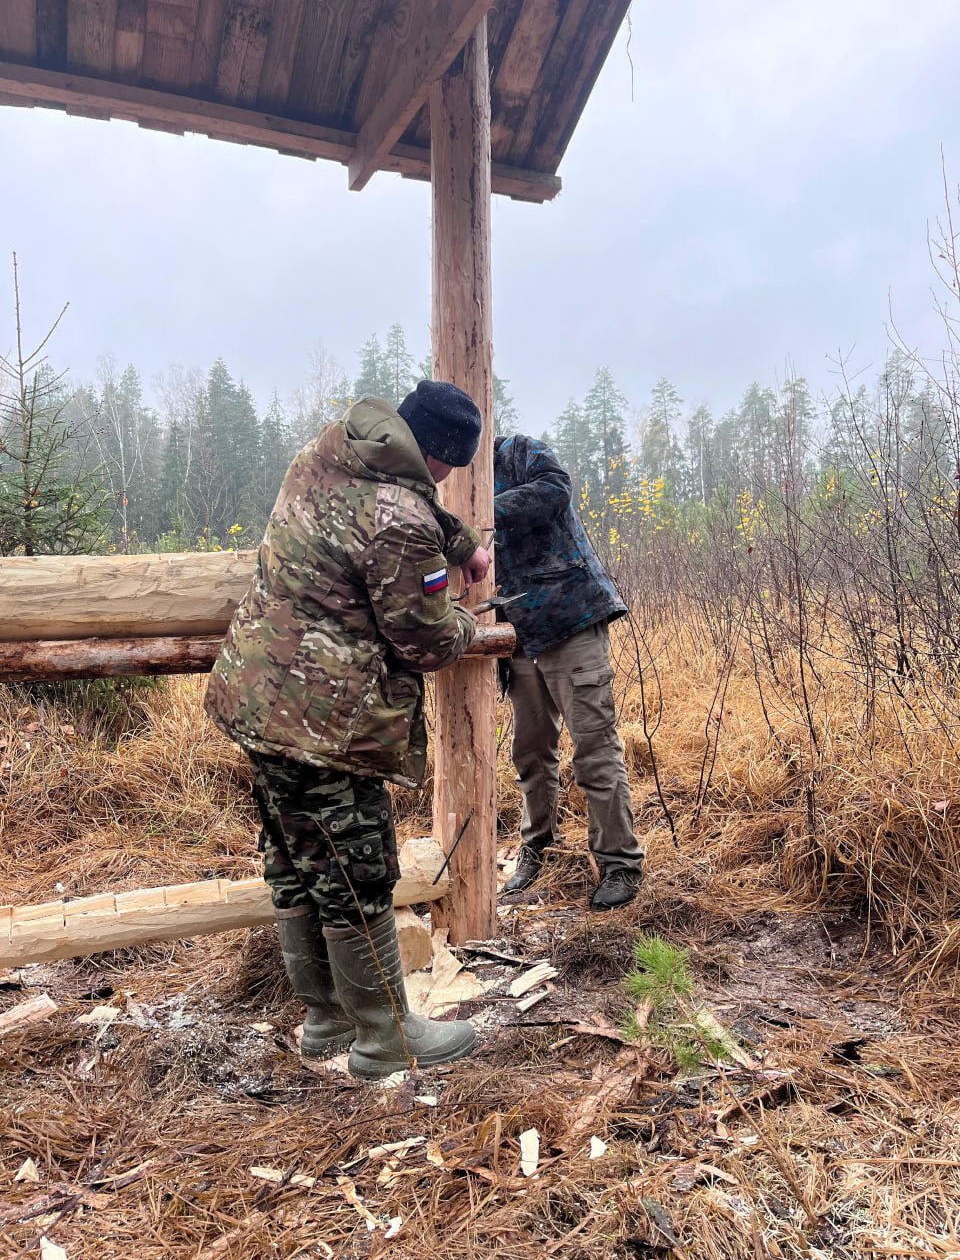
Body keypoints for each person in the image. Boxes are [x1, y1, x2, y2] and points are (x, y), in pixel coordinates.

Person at [205, 382, 491, 1078]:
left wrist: (461, 545)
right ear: (440, 457)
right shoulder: (402, 521)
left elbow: (402, 504)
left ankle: (327, 1020)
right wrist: (465, 621)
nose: (444, 481)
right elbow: (424, 640)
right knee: (354, 868)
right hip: (324, 722)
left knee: (298, 860)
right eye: (449, 467)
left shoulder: (329, 454)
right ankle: (386, 1038)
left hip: (259, 700)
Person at [493, 433, 645, 909]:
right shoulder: (446, 485)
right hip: (517, 633)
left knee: (594, 748)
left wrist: (481, 514)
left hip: (570, 618)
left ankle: (620, 863)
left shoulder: (517, 452)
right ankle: (539, 846)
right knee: (530, 749)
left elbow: (555, 487)